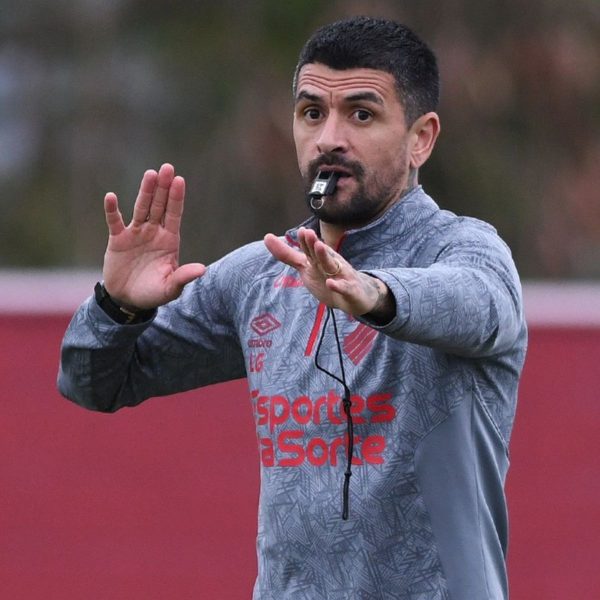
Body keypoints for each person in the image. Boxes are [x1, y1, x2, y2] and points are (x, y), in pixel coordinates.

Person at [58, 16, 527, 600]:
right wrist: (117, 307)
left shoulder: (464, 250)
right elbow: (90, 383)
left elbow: (481, 304)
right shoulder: (262, 271)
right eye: (312, 113)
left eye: (362, 114)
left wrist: (374, 294)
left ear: (421, 139)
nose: (330, 137)